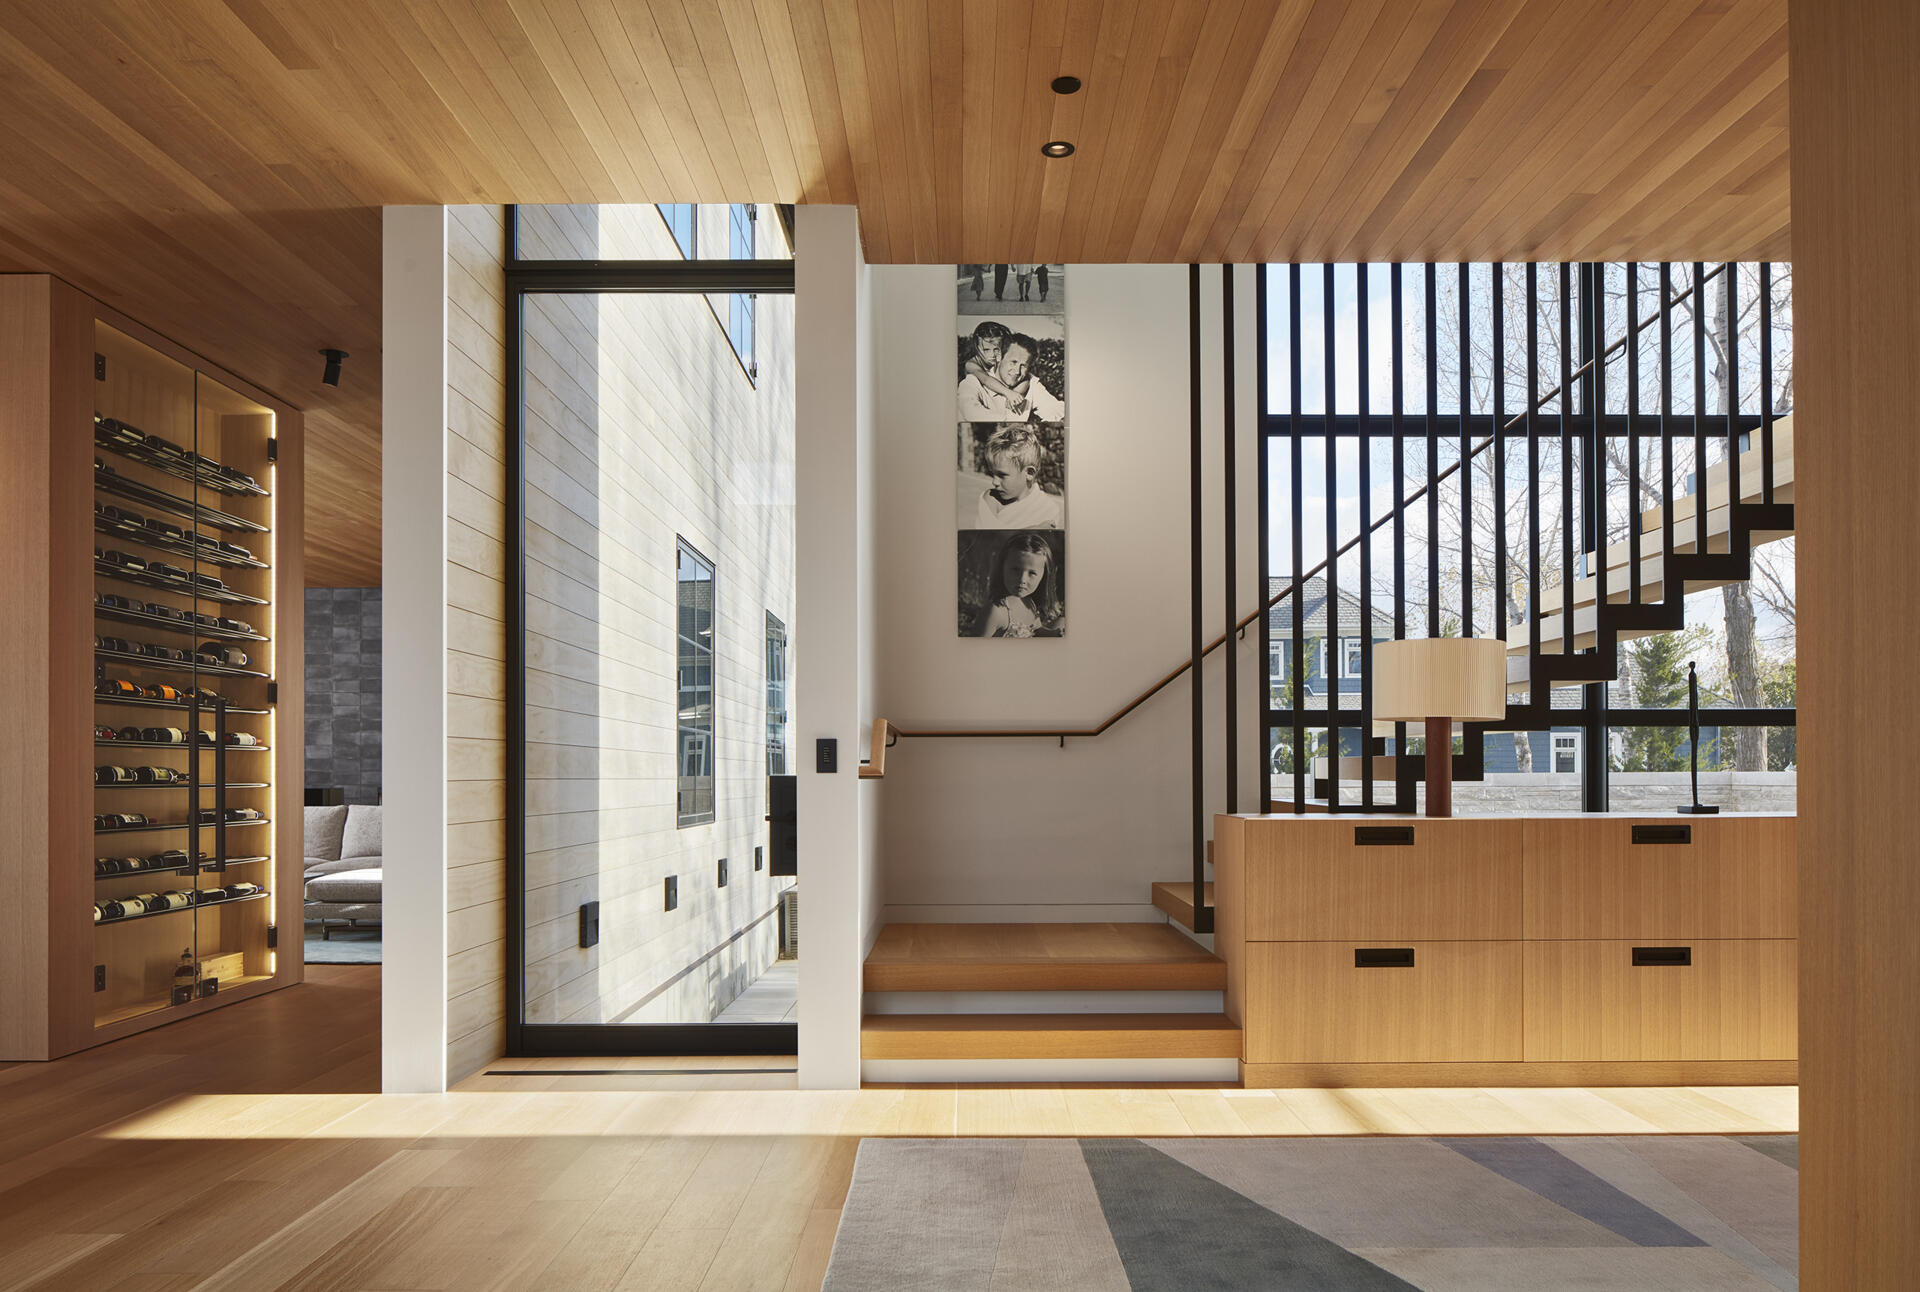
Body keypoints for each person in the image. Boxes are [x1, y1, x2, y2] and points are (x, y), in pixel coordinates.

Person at [957, 332, 1064, 421]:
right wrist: (1010, 420)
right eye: (1013, 362)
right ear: (999, 358)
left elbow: (1058, 409)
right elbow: (971, 413)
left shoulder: (1031, 383)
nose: (1017, 371)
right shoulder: (972, 383)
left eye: (1023, 366)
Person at [970, 532, 1061, 637]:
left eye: (1032, 573)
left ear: (1043, 577)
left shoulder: (1029, 603)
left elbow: (1035, 629)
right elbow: (976, 647)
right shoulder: (995, 611)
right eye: (1015, 570)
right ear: (1002, 568)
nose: (1022, 579)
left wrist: (1052, 633)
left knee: (1062, 621)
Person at [972, 425, 1061, 528]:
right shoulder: (991, 499)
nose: (994, 482)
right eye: (993, 474)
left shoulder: (1048, 509)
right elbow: (986, 539)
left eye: (1002, 475)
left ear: (1029, 473)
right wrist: (1032, 530)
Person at [960, 320, 1030, 413]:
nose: (992, 354)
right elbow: (985, 379)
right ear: (977, 347)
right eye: (986, 350)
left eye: (996, 349)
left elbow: (1027, 378)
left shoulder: (1000, 359)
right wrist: (1008, 393)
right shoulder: (971, 364)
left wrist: (1017, 393)